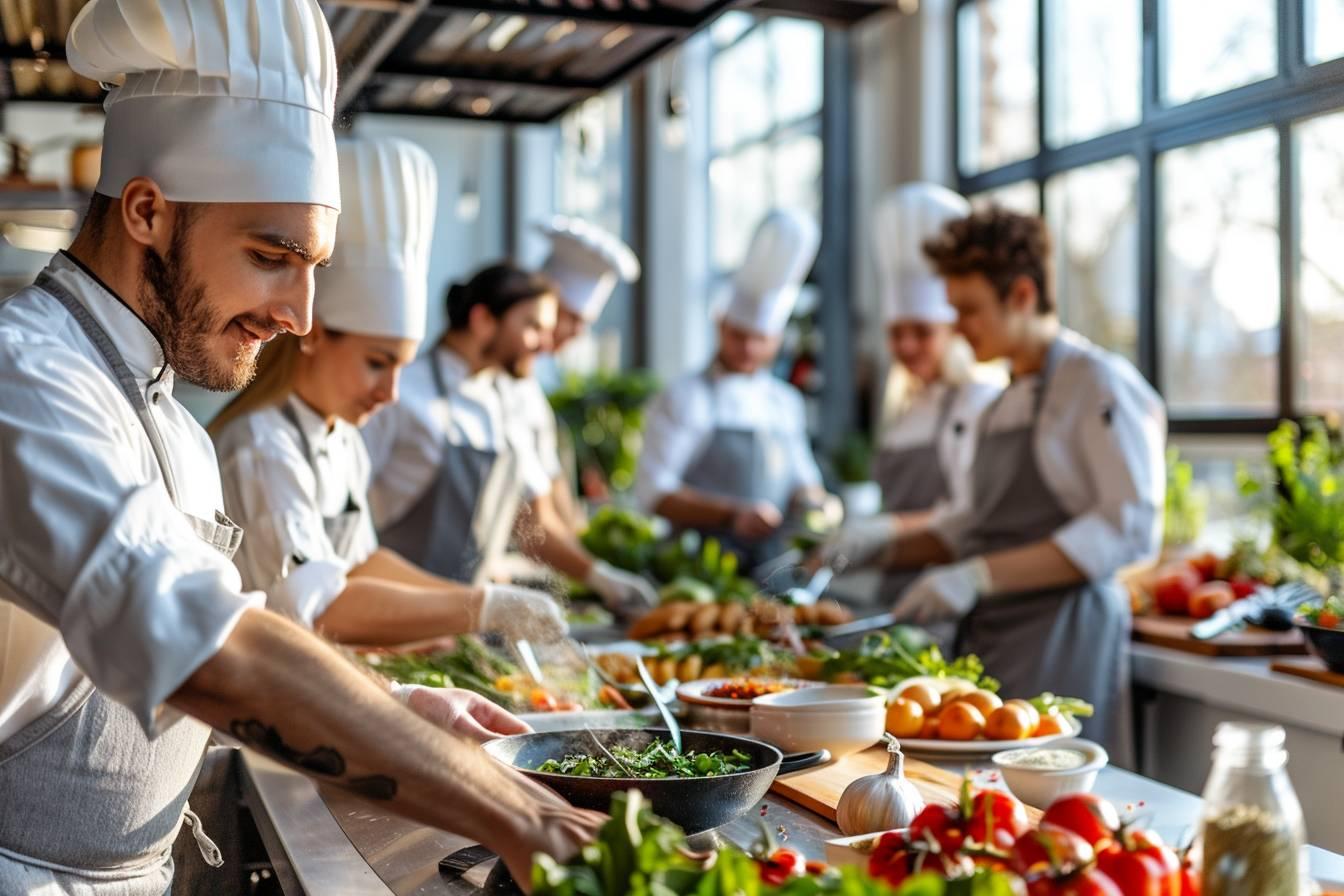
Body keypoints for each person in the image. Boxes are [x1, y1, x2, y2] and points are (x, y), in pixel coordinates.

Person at [0, 3, 600, 893]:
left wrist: (404, 710)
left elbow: (250, 632)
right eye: (272, 255)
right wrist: (520, 814)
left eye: (314, 267)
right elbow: (209, 649)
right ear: (146, 210)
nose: (301, 317)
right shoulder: (27, 378)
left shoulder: (176, 427)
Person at [211, 136, 566, 647]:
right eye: (377, 363)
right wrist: (480, 607)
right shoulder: (262, 445)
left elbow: (363, 565)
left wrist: (466, 606)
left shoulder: (341, 438)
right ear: (313, 335)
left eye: (400, 366)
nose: (392, 393)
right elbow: (323, 603)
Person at [871, 207, 1166, 759]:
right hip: (995, 638)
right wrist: (876, 546)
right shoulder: (1004, 398)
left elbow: (1128, 529)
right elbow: (970, 520)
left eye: (969, 310)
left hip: (1064, 636)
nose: (957, 326)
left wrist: (978, 576)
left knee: (1055, 810)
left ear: (1023, 295)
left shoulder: (1096, 383)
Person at [363, 262, 658, 615]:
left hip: (467, 619)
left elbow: (535, 524)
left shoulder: (507, 402)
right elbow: (351, 518)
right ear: (483, 319)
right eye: (533, 327)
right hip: (391, 611)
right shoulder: (401, 394)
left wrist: (600, 577)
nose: (545, 344)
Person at [820, 184, 1001, 616]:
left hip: (950, 596)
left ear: (953, 330)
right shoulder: (903, 404)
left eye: (921, 332)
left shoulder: (978, 400)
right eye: (896, 333)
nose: (906, 346)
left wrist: (884, 530)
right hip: (893, 597)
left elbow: (969, 512)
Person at [634, 209, 841, 570]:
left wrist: (817, 504)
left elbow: (802, 479)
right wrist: (731, 514)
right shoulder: (685, 397)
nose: (748, 349)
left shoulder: (784, 403)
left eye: (760, 339)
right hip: (695, 570)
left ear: (776, 340)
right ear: (721, 326)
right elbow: (653, 492)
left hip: (774, 570)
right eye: (739, 336)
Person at [502, 217, 642, 525]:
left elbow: (551, 481)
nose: (577, 333)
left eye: (585, 324)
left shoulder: (536, 381)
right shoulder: (500, 383)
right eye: (571, 318)